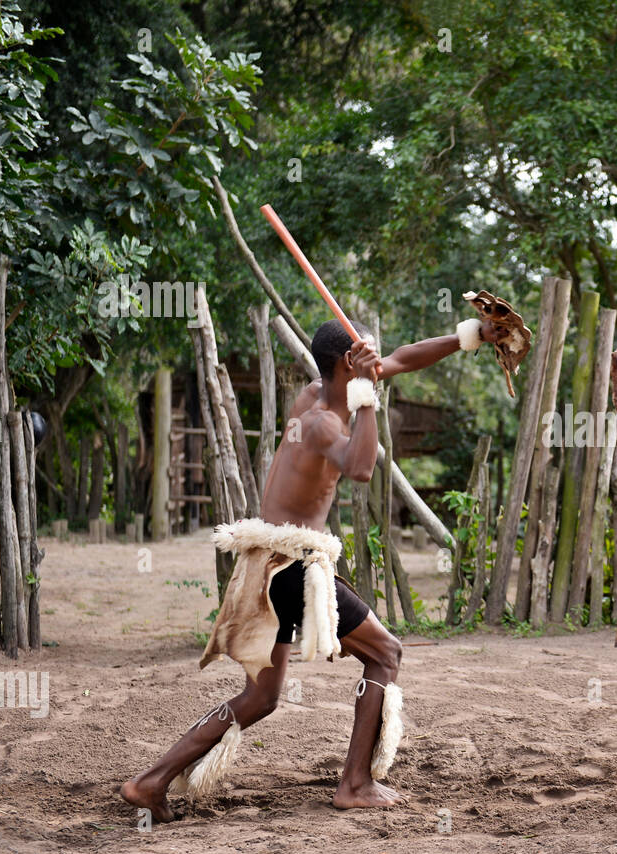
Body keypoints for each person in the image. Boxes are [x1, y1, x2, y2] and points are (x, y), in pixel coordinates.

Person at [122, 312, 506, 822]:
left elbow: (404, 358)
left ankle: (151, 781)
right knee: (386, 653)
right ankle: (354, 783)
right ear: (348, 363)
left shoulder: (316, 391)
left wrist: (471, 337)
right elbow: (362, 469)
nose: (375, 358)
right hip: (295, 565)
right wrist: (368, 391)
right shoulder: (325, 421)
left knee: (261, 698)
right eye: (363, 353)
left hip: (274, 560)